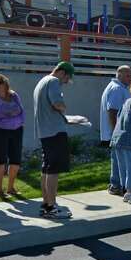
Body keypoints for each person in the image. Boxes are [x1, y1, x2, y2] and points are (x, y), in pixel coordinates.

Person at [33, 61, 76, 218]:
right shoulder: (53, 82)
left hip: (45, 132)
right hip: (54, 132)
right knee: (54, 170)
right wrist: (63, 106)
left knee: (47, 168)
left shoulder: (42, 81)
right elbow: (58, 104)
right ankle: (51, 208)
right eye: (66, 79)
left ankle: (46, 204)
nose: (65, 83)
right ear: (63, 73)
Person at [0, 73, 25, 198]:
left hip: (17, 129)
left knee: (16, 161)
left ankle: (11, 188)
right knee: (0, 161)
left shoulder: (13, 95)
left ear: (5, 84)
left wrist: (11, 115)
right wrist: (9, 113)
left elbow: (20, 110)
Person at [100, 65, 131, 195]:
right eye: (127, 75)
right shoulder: (116, 89)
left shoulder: (118, 88)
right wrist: (116, 132)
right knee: (118, 160)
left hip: (117, 132)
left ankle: (116, 184)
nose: (130, 78)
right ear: (119, 75)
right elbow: (112, 111)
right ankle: (115, 185)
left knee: (118, 159)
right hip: (116, 132)